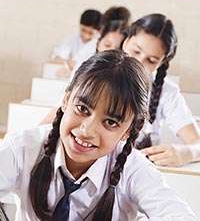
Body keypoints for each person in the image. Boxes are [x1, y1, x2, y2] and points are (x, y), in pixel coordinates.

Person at [0, 50, 198, 220]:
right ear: (67, 99)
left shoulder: (133, 169)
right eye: (82, 109)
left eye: (110, 122)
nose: (87, 130)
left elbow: (179, 215)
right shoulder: (24, 147)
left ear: (128, 130)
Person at [122, 13, 200, 167]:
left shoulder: (167, 92)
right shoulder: (94, 73)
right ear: (126, 42)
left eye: (151, 60)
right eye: (136, 51)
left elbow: (197, 142)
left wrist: (186, 152)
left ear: (162, 62)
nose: (139, 63)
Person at [51, 9, 102, 77]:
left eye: (91, 33)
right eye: (83, 30)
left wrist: (70, 63)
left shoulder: (100, 44)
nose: (85, 36)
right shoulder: (71, 40)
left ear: (99, 31)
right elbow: (57, 60)